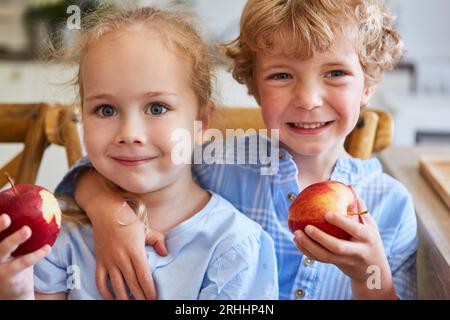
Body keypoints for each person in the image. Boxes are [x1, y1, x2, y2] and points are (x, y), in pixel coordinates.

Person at [54, 0, 418, 300]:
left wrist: (370, 276)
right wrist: (110, 214)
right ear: (255, 87)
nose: (308, 99)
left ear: (368, 84)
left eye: (336, 73)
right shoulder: (218, 163)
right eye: (281, 75)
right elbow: (113, 168)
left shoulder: (392, 206)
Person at [0, 6, 278, 300]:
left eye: (157, 108)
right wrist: (15, 290)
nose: (130, 133)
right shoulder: (60, 231)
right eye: (105, 110)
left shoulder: (232, 246)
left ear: (202, 123)